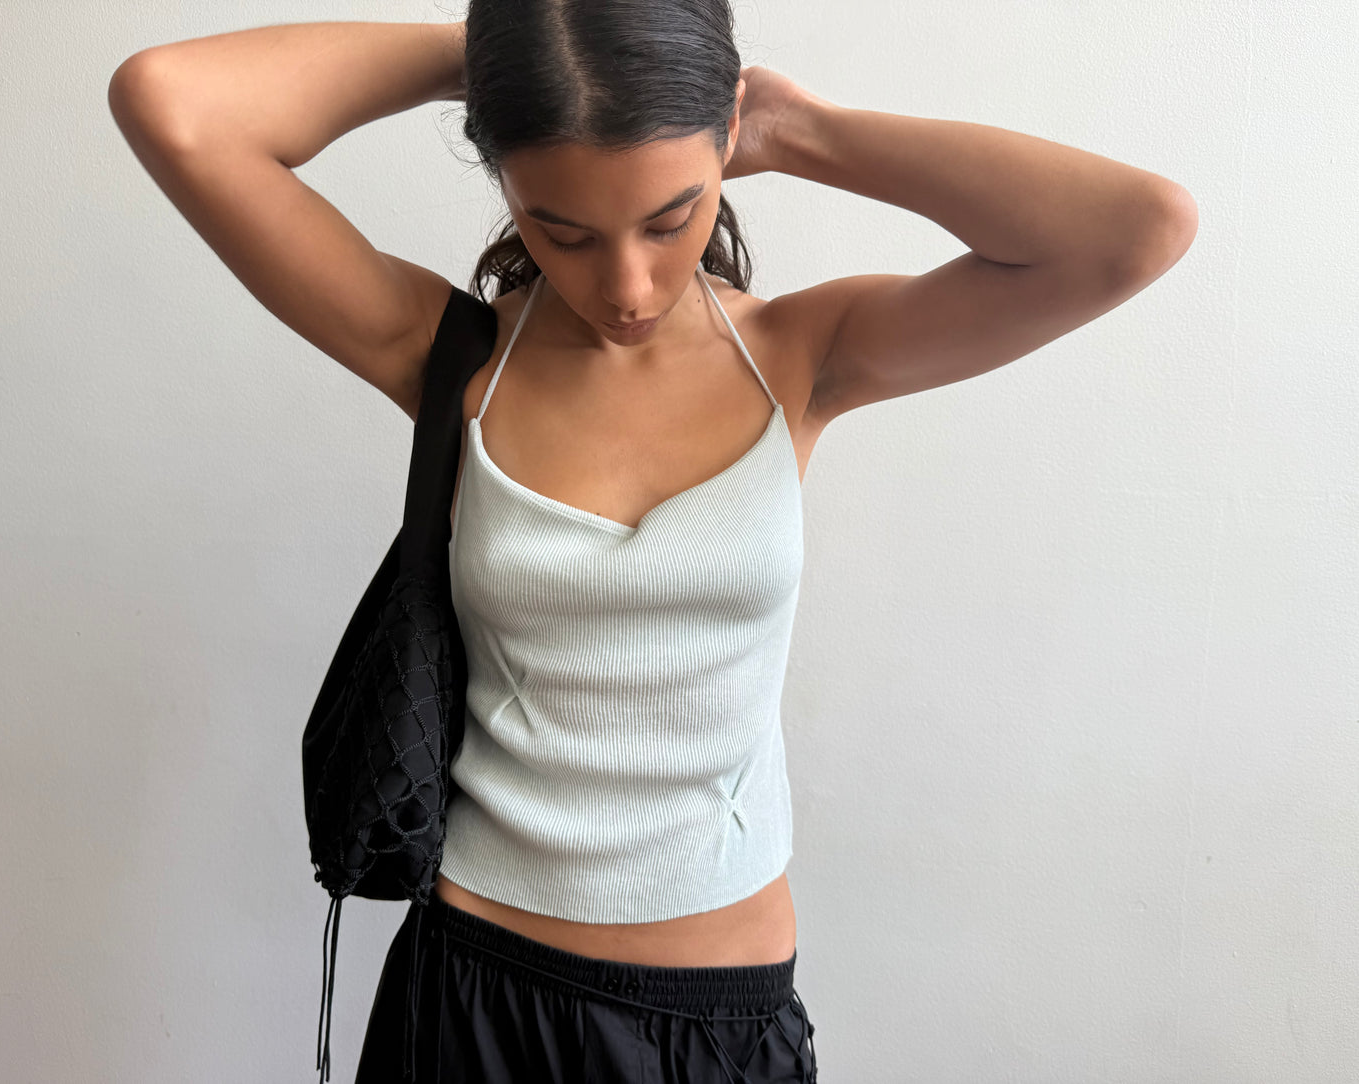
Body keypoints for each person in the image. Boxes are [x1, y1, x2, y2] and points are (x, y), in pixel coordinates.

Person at [108, 3, 1195, 1080]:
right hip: (473, 993)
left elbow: (1133, 230)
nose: (622, 288)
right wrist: (504, 62)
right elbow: (174, 105)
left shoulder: (802, 355)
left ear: (722, 142)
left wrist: (803, 130)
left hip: (718, 1018)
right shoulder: (452, 357)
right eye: (560, 230)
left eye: (668, 220)